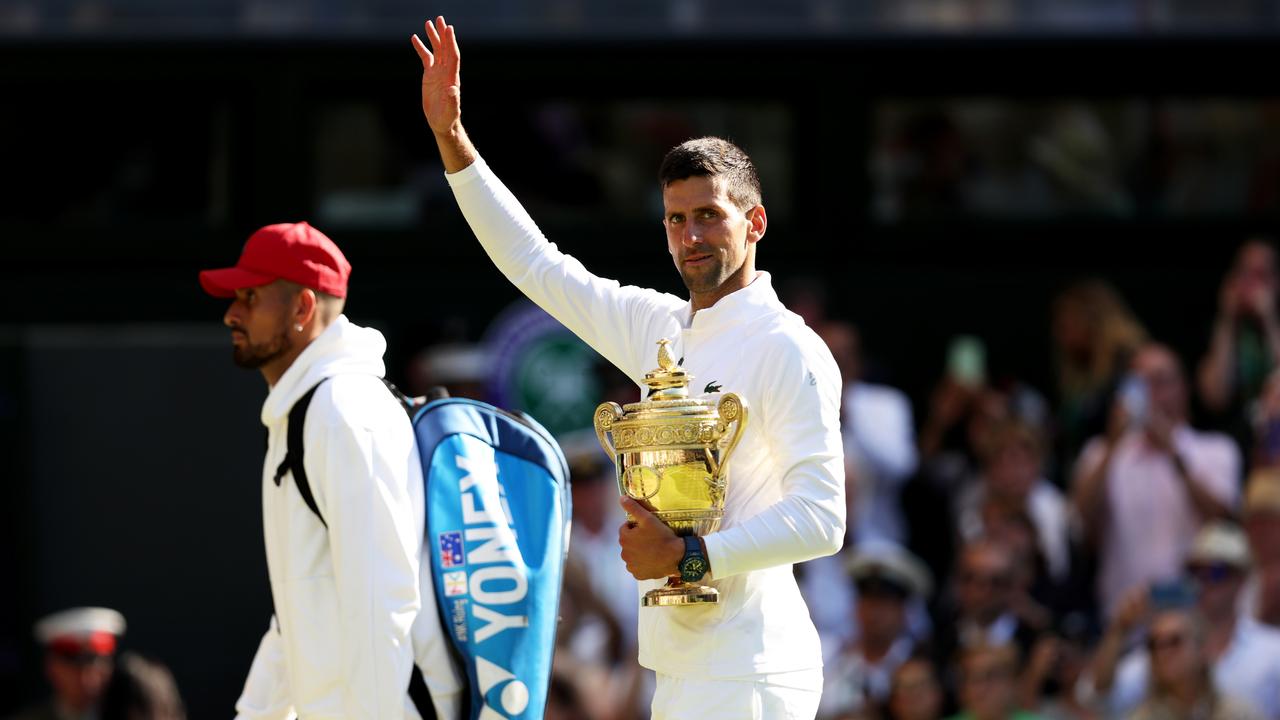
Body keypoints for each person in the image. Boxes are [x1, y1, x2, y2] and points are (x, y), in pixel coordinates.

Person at [412, 17, 845, 719]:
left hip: (752, 668)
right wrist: (453, 141)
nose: (692, 236)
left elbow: (824, 520)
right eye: (677, 220)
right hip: (679, 665)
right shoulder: (659, 326)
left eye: (710, 215)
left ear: (755, 223)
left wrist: (691, 556)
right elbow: (536, 265)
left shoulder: (787, 346)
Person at [199, 221, 459, 719]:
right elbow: (297, 613)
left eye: (250, 296)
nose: (231, 312)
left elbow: (382, 605)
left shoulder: (342, 412)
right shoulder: (308, 409)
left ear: (301, 308)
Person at [1071, 342, 1240, 618]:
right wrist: (1113, 444)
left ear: (1183, 388)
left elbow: (1223, 521)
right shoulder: (1099, 454)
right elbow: (1082, 523)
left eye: (1160, 381)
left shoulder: (1215, 449)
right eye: (1138, 384)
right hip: (1123, 615)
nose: (1150, 394)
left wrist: (1173, 454)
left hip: (1195, 617)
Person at [1079, 523, 1280, 720]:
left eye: (1216, 571)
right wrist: (1119, 629)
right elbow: (1097, 697)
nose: (1203, 581)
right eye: (1194, 571)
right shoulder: (1163, 642)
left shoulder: (1272, 651)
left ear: (1242, 578)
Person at [820, 543, 934, 720]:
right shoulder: (834, 658)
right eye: (868, 601)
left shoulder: (920, 660)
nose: (874, 613)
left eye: (884, 603)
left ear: (904, 610)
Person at [1198, 239, 1280, 460]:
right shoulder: (1218, 329)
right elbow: (1216, 397)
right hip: (1230, 446)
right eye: (1244, 273)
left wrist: (1269, 320)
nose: (1251, 284)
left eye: (1260, 275)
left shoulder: (1275, 324)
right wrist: (1226, 320)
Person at [9, 607, 125, 720]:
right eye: (75, 666)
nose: (87, 678)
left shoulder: (132, 714)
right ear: (51, 667)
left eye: (99, 662)